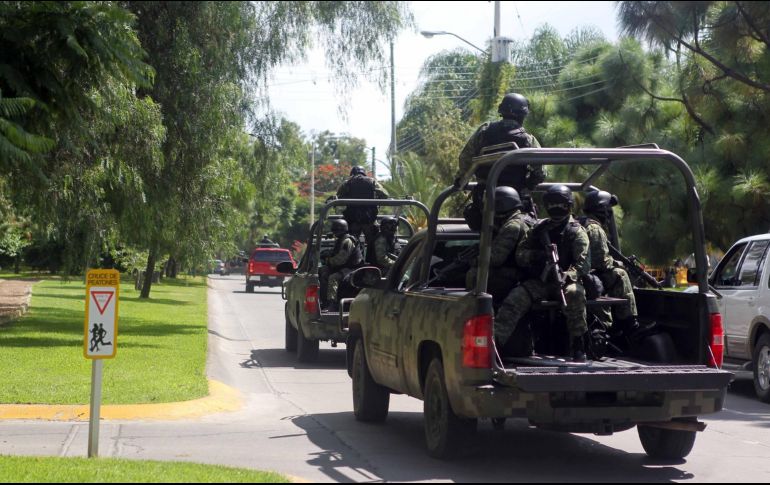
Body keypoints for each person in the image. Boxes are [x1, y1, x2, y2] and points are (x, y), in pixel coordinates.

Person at [495, 185, 590, 362]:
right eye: (552, 205)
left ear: (569, 206)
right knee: (515, 298)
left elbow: (584, 264)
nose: (556, 209)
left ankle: (579, 344)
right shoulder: (538, 229)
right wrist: (536, 256)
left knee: (575, 295)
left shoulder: (576, 231)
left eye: (561, 205)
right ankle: (495, 344)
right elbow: (520, 254)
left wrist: (568, 275)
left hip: (566, 280)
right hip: (541, 281)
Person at [455, 93, 545, 229]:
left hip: (484, 201)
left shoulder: (484, 131)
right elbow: (540, 171)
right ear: (523, 115)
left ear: (501, 112)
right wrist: (529, 184)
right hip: (515, 202)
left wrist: (462, 179)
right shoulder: (528, 140)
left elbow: (465, 158)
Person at [580, 190, 641, 339]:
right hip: (588, 276)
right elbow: (601, 262)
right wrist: (619, 264)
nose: (609, 215)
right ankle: (629, 322)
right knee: (620, 274)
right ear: (601, 210)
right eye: (608, 211)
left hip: (581, 274)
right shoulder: (595, 229)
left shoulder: (580, 223)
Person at [465, 187, 533, 302]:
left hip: (517, 275)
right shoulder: (522, 219)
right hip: (521, 272)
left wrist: (473, 260)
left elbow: (495, 259)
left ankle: (479, 309)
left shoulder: (512, 226)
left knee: (474, 273)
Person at [318, 219, 363, 312]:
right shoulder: (341, 239)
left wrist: (328, 260)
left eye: (336, 231)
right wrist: (328, 255)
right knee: (323, 270)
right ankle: (323, 300)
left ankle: (332, 304)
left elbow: (341, 259)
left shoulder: (348, 241)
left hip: (352, 268)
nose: (334, 233)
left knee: (333, 278)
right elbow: (336, 253)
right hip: (345, 267)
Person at [336, 166, 389, 242]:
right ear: (364, 173)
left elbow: (338, 197)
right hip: (369, 219)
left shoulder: (347, 182)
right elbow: (384, 195)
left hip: (352, 219)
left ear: (352, 173)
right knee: (373, 244)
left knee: (351, 242)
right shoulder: (372, 181)